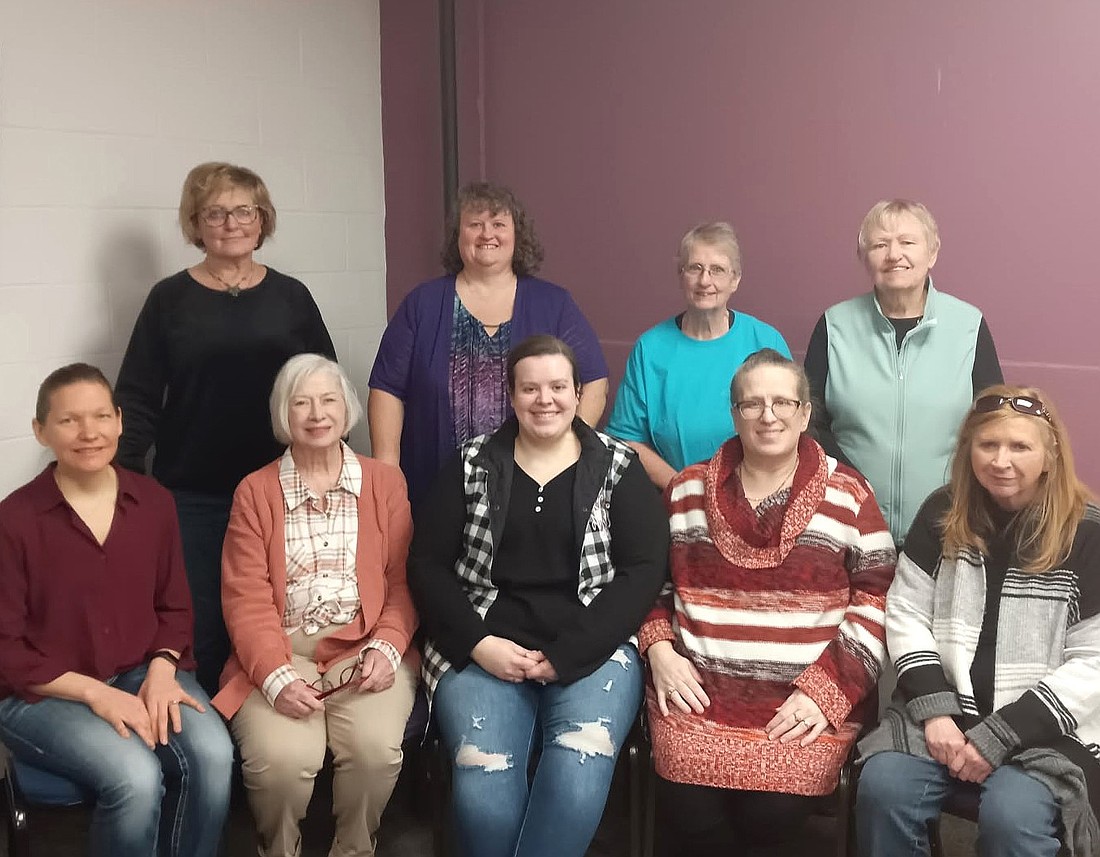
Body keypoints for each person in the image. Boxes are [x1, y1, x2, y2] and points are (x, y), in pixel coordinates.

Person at [407, 335, 668, 857]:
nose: (544, 399)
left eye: (557, 387)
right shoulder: (471, 464)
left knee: (576, 777)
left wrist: (570, 653)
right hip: (483, 646)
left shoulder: (617, 467)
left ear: (577, 394)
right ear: (511, 395)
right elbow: (428, 566)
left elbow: (643, 572)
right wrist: (481, 645)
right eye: (530, 388)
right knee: (485, 791)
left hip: (591, 648)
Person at [640, 348, 895, 855]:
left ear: (805, 413)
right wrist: (659, 651)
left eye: (783, 402)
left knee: (770, 813)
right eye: (752, 404)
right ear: (734, 415)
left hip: (803, 702)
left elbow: (877, 596)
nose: (768, 415)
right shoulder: (686, 490)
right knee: (689, 807)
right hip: (700, 696)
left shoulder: (849, 493)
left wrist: (827, 692)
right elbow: (649, 584)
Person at [115, 162, 337, 696]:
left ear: (262, 220)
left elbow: (324, 385)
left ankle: (271, 731)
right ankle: (219, 752)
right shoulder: (169, 301)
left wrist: (332, 474)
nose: (231, 222)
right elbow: (139, 397)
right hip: (195, 495)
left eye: (244, 210)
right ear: (196, 223)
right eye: (215, 212)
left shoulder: (291, 298)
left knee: (280, 614)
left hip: (282, 487)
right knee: (205, 626)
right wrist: (123, 480)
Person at [0, 364, 233, 857]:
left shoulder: (154, 502)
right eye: (69, 421)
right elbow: (6, 649)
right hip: (41, 693)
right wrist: (95, 695)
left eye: (101, 416)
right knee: (136, 776)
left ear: (121, 421)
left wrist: (164, 671)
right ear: (41, 429)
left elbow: (174, 606)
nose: (89, 432)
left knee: (214, 754)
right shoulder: (14, 519)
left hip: (140, 671)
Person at [857, 386, 1100, 857]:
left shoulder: (1088, 534)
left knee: (1014, 817)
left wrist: (1001, 734)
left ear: (1050, 456)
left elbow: (1094, 662)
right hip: (946, 716)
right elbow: (906, 613)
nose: (1001, 461)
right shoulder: (941, 513)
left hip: (1049, 730)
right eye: (988, 445)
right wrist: (936, 712)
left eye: (1020, 446)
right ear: (969, 450)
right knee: (883, 788)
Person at [214, 354, 418, 857]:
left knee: (373, 751)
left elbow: (404, 582)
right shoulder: (255, 492)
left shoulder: (386, 483)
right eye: (300, 403)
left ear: (347, 409)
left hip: (364, 643)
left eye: (328, 400)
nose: (316, 413)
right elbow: (245, 597)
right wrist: (277, 678)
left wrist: (388, 648)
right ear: (284, 415)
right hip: (280, 649)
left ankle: (354, 848)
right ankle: (278, 849)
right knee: (280, 762)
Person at [368, 182, 609, 509]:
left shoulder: (554, 304)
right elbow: (387, 388)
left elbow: (594, 380)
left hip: (534, 488)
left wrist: (567, 445)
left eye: (498, 224)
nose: (487, 234)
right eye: (474, 224)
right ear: (458, 235)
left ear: (516, 235)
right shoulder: (422, 304)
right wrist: (387, 467)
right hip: (434, 487)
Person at [804, 199, 1002, 545]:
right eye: (880, 244)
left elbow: (993, 420)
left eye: (908, 242)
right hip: (847, 521)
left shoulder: (969, 326)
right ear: (864, 257)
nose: (894, 254)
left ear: (932, 253)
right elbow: (809, 418)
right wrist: (851, 483)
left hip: (947, 522)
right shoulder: (834, 325)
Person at [607, 222, 790, 489]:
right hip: (675, 499)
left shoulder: (766, 341)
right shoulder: (650, 349)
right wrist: (684, 488)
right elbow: (626, 438)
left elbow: (792, 426)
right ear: (681, 276)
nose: (705, 281)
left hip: (761, 495)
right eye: (695, 268)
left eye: (717, 270)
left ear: (735, 279)